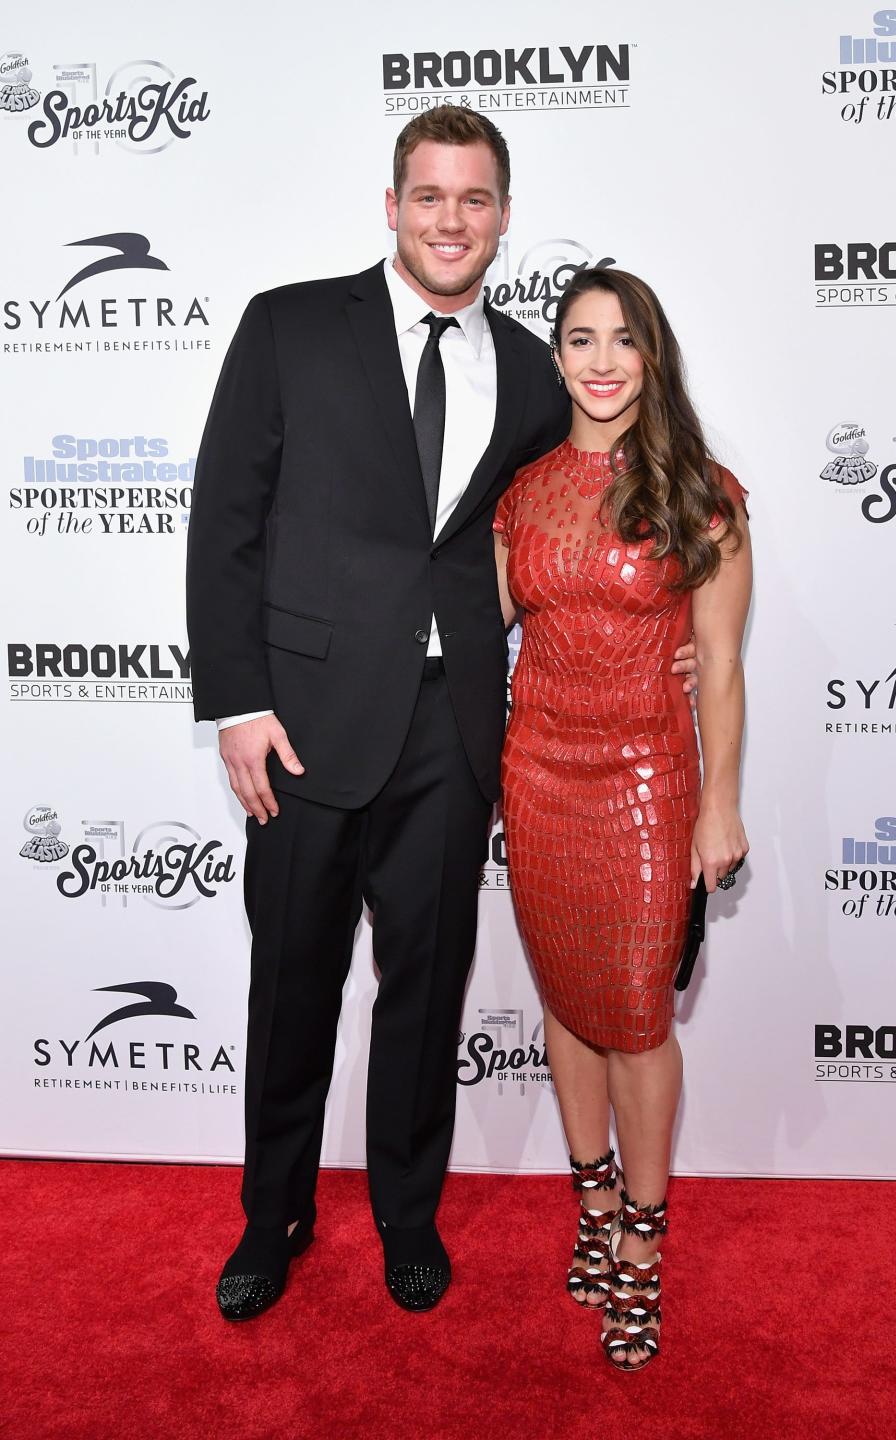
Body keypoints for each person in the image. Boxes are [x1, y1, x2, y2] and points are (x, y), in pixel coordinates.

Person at [186, 107, 698, 1323]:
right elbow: (225, 522)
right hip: (300, 725)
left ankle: (409, 1219)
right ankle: (275, 1215)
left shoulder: (536, 367)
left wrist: (667, 647)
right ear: (392, 205)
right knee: (293, 983)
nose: (451, 220)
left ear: (504, 215)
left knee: (427, 993)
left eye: (474, 200)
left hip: (456, 731)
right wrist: (237, 701)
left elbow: (593, 520)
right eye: (429, 197)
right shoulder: (290, 324)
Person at [494, 267, 751, 1371]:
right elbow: (477, 619)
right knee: (568, 996)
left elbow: (724, 670)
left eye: (624, 340)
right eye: (580, 338)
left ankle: (643, 1247)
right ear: (555, 357)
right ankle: (592, 1202)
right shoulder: (524, 490)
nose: (602, 361)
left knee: (638, 1015)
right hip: (539, 774)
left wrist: (720, 808)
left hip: (649, 784)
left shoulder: (706, 495)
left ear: (654, 358)